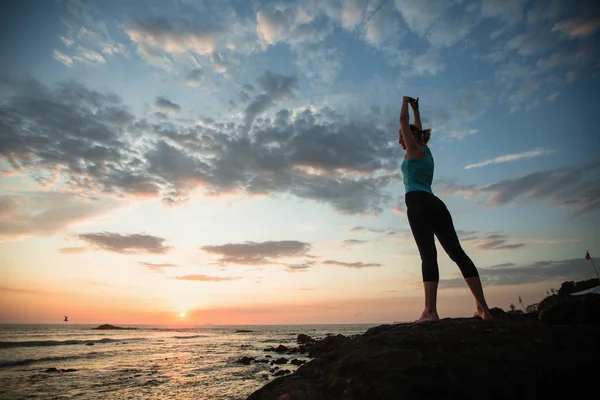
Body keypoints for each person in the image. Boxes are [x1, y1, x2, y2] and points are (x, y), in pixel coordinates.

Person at [399, 95, 491, 322]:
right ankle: (483, 308)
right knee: (457, 253)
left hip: (418, 203)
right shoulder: (426, 151)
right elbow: (417, 129)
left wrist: (405, 104)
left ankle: (430, 312)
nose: (401, 141)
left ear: (410, 137)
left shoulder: (413, 150)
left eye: (402, 137)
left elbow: (403, 121)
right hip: (436, 204)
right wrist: (417, 109)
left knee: (428, 256)